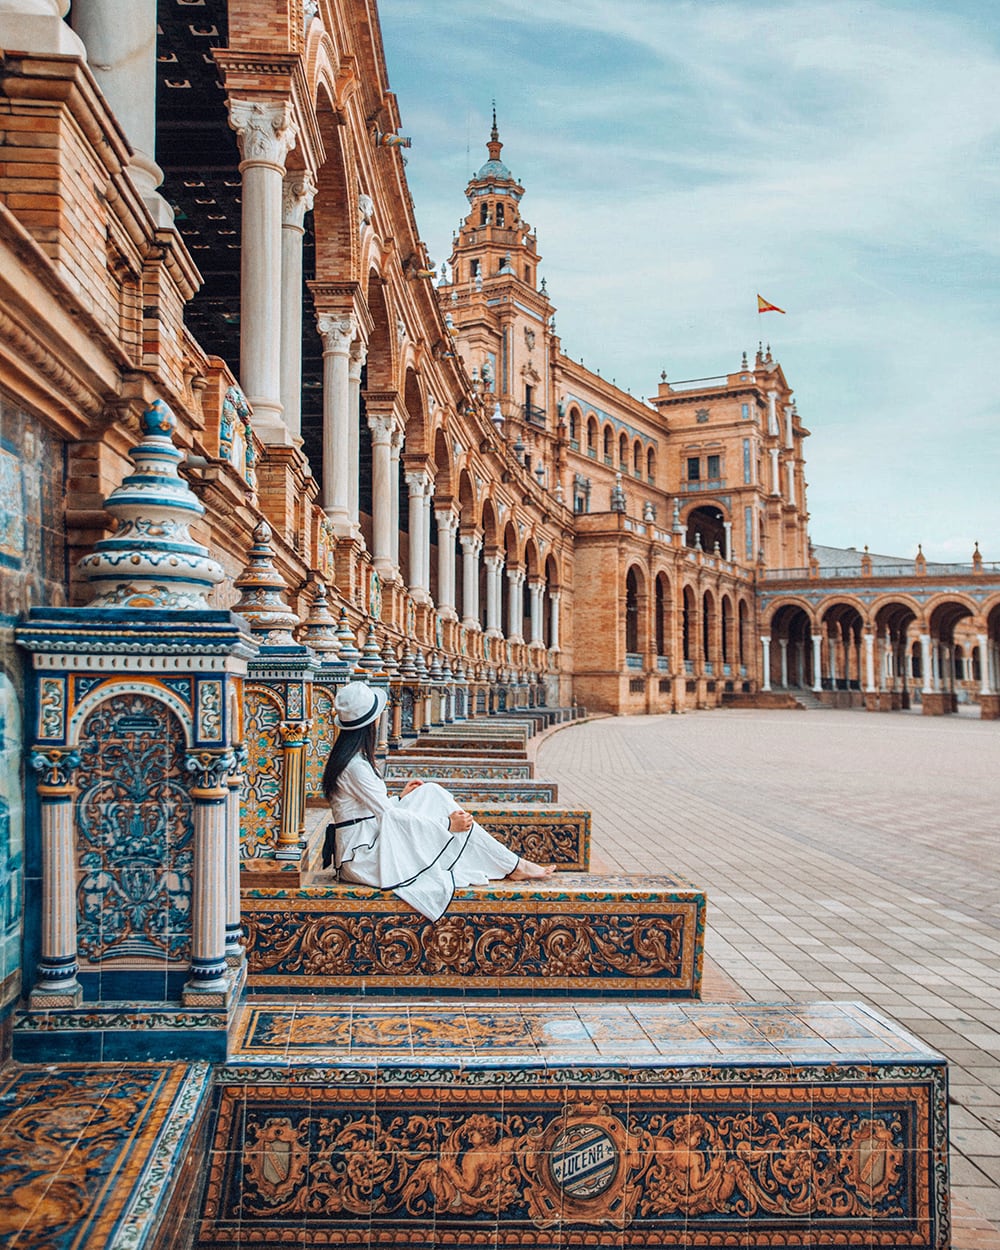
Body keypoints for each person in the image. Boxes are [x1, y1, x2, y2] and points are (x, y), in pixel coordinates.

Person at [320, 682, 553, 922]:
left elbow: (372, 809)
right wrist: (445, 825)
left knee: (431, 792)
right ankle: (514, 865)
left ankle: (513, 864)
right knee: (445, 813)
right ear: (369, 724)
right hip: (362, 856)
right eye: (378, 716)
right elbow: (389, 816)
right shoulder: (356, 766)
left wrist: (400, 798)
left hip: (365, 839)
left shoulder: (350, 759)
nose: (380, 720)